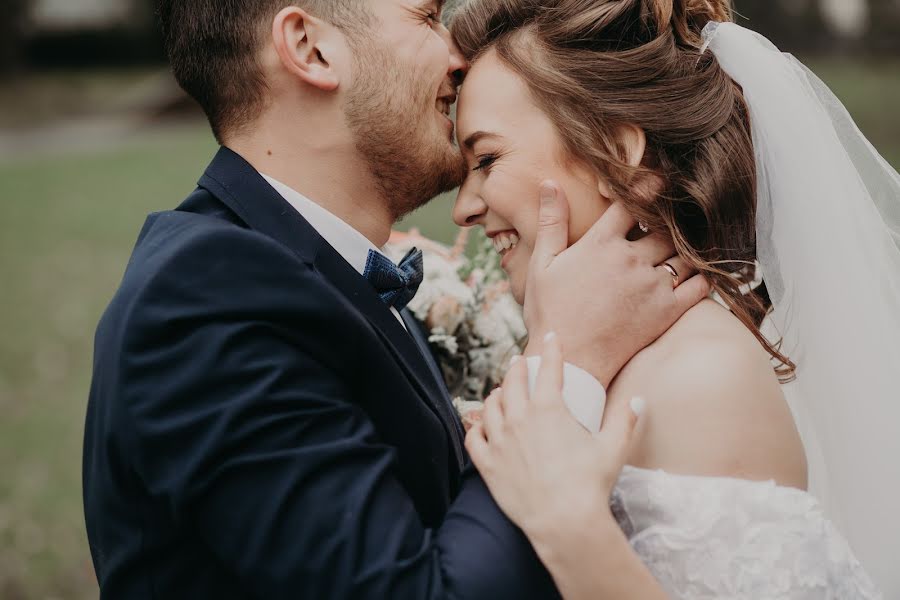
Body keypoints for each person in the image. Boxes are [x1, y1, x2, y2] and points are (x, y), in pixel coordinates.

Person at [82, 0, 708, 598]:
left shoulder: (315, 267)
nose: (458, 55)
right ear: (310, 49)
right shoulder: (205, 301)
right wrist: (566, 359)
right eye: (428, 17)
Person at [450, 0, 900, 597]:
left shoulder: (701, 375)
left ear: (618, 153)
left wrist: (573, 529)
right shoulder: (610, 351)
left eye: (486, 159)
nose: (463, 207)